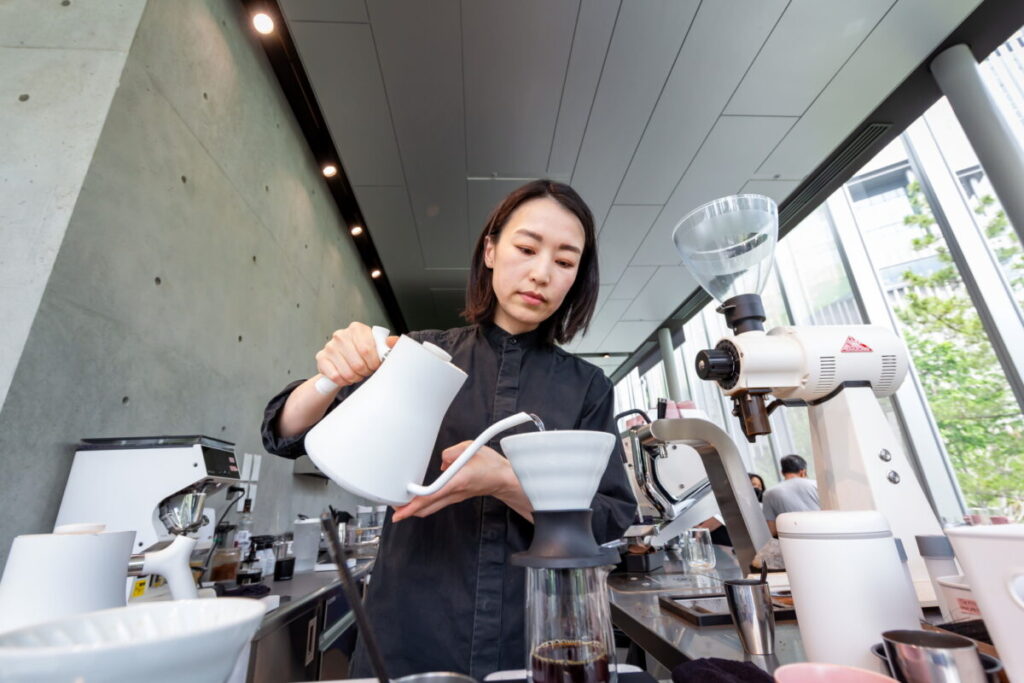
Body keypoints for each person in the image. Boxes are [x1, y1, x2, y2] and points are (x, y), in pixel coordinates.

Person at [260, 180, 636, 679]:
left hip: (532, 640)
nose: (542, 273)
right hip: (408, 630)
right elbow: (285, 431)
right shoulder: (419, 354)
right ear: (490, 250)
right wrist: (332, 374)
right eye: (526, 248)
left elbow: (609, 520)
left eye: (565, 262)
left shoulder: (587, 388)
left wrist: (505, 482)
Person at [761, 455, 820, 536]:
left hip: (793, 541)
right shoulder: (816, 485)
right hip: (821, 534)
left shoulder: (769, 493)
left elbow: (772, 529)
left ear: (782, 472)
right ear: (803, 472)